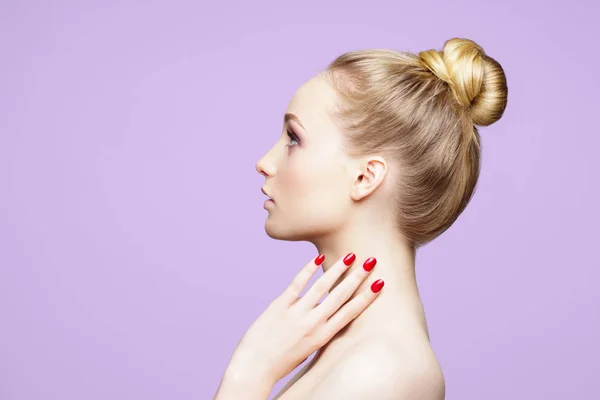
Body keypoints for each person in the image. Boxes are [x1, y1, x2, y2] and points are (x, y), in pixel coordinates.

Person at [213, 37, 508, 399]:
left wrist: (249, 374)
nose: (265, 162)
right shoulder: (352, 354)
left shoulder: (381, 373)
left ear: (365, 177)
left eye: (293, 138)